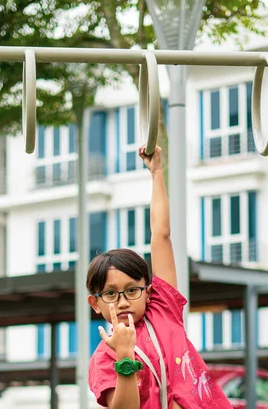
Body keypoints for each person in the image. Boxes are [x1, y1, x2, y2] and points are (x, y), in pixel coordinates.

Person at [86, 145, 232, 408]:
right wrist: (124, 357)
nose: (121, 301)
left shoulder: (162, 309)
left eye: (132, 290)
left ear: (149, 292)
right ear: (95, 303)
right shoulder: (103, 358)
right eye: (110, 294)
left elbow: (160, 233)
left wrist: (156, 171)